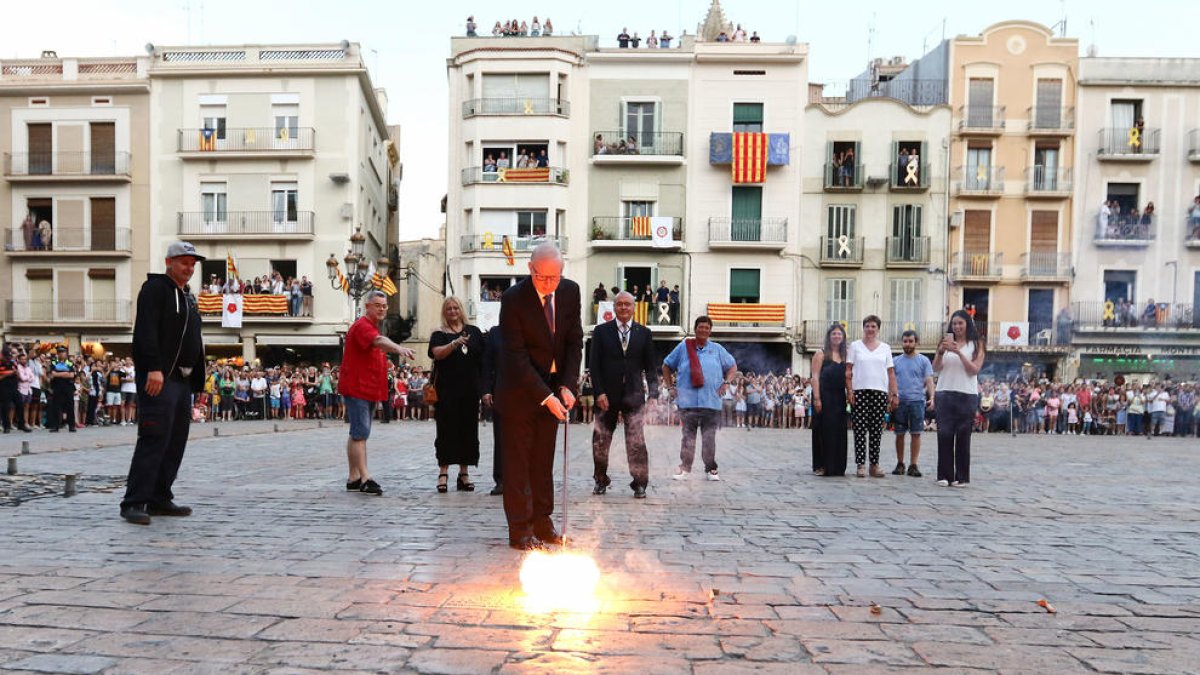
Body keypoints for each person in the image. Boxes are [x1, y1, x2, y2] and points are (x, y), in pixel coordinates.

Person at [494, 243, 583, 550]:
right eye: (542, 277)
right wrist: (547, 397)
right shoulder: (513, 299)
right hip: (519, 393)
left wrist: (568, 385)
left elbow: (574, 342)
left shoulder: (570, 292)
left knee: (543, 462)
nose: (548, 284)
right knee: (518, 464)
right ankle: (519, 530)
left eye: (554, 277)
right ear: (530, 269)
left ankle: (543, 523)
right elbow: (515, 356)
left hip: (555, 389)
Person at [120, 242, 207, 525]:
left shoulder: (187, 295)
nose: (189, 268)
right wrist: (154, 368)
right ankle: (134, 501)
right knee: (154, 437)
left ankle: (159, 497)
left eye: (193, 264)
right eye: (184, 262)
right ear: (169, 261)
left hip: (182, 380)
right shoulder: (155, 290)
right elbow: (145, 332)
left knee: (175, 441)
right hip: (161, 376)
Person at [338, 291, 416, 496]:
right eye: (378, 305)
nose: (382, 308)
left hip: (367, 388)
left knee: (356, 432)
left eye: (385, 306)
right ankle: (365, 478)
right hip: (358, 388)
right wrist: (399, 348)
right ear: (367, 306)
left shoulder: (371, 326)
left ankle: (353, 476)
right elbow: (379, 341)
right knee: (360, 433)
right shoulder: (363, 326)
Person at [589, 292, 659, 499]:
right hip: (606, 397)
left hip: (634, 395)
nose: (623, 308)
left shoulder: (644, 333)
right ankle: (600, 479)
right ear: (614, 307)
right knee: (600, 439)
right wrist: (599, 391)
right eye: (619, 304)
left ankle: (639, 482)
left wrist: (653, 394)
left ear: (634, 307)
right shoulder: (601, 332)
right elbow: (594, 365)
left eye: (627, 304)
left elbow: (650, 367)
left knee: (636, 441)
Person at [662, 316, 737, 481]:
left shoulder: (717, 349)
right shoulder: (683, 347)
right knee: (688, 437)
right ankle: (685, 468)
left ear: (710, 331)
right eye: (700, 327)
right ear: (695, 329)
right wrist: (670, 387)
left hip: (711, 401)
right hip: (687, 402)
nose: (703, 330)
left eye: (707, 327)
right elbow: (666, 365)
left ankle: (711, 469)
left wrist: (726, 382)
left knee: (709, 437)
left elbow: (732, 366)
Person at [428, 297, 485, 493]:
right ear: (444, 312)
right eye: (449, 309)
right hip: (446, 391)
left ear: (461, 310)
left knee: (468, 431)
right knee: (445, 431)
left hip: (469, 391)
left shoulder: (475, 332)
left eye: (455, 308)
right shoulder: (438, 333)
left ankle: (464, 473)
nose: (453, 311)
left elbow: (482, 359)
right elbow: (436, 353)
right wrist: (454, 344)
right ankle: (443, 472)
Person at [933, 309, 986, 487]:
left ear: (967, 324)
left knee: (963, 436)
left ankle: (962, 476)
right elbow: (936, 368)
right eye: (954, 324)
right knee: (944, 434)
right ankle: (944, 475)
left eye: (960, 323)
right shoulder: (945, 342)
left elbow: (974, 370)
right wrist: (941, 352)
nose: (957, 327)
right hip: (944, 391)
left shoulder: (977, 344)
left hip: (966, 393)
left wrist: (959, 353)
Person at [845, 316, 898, 478]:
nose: (870, 329)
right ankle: (861, 465)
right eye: (867, 326)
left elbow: (890, 373)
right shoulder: (855, 346)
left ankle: (874, 465)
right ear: (863, 328)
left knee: (876, 430)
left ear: (878, 329)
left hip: (879, 392)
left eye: (873, 326)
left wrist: (894, 393)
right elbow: (848, 371)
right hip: (859, 391)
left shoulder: (885, 348)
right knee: (860, 429)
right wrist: (850, 391)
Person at [891, 330, 934, 477]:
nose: (907, 344)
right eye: (905, 341)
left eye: (910, 341)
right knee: (899, 434)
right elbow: (891, 380)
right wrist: (891, 396)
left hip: (917, 401)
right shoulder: (895, 361)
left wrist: (932, 396)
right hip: (900, 401)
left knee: (916, 434)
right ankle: (900, 463)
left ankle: (914, 464)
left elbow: (929, 379)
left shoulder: (924, 361)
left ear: (916, 342)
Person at [811, 324, 849, 476]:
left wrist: (850, 393)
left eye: (839, 334)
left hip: (839, 397)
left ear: (843, 337)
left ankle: (837, 466)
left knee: (838, 431)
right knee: (823, 431)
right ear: (829, 336)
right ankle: (821, 465)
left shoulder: (845, 356)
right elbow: (815, 377)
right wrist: (817, 398)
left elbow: (848, 377)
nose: (837, 337)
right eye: (834, 334)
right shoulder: (820, 354)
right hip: (824, 396)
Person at [481, 328, 504, 496]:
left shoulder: (528, 328)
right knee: (502, 437)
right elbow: (486, 364)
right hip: (501, 391)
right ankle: (501, 480)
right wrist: (486, 390)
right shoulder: (495, 334)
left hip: (525, 391)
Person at [45, 346, 78, 433]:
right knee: (56, 406)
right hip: (57, 386)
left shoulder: (70, 363)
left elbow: (71, 375)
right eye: (59, 352)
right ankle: (55, 426)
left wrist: (58, 374)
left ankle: (72, 426)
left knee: (70, 406)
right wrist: (65, 373)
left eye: (63, 352)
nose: (61, 354)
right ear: (57, 354)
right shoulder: (54, 362)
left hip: (68, 387)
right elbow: (52, 374)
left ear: (66, 354)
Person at [0, 344, 31, 433]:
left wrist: (16, 373)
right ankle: (6, 427)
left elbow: (17, 374)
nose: (8, 358)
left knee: (20, 404)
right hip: (4, 388)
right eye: (6, 356)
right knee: (6, 407)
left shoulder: (13, 362)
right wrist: (8, 374)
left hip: (14, 387)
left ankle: (21, 425)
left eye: (9, 355)